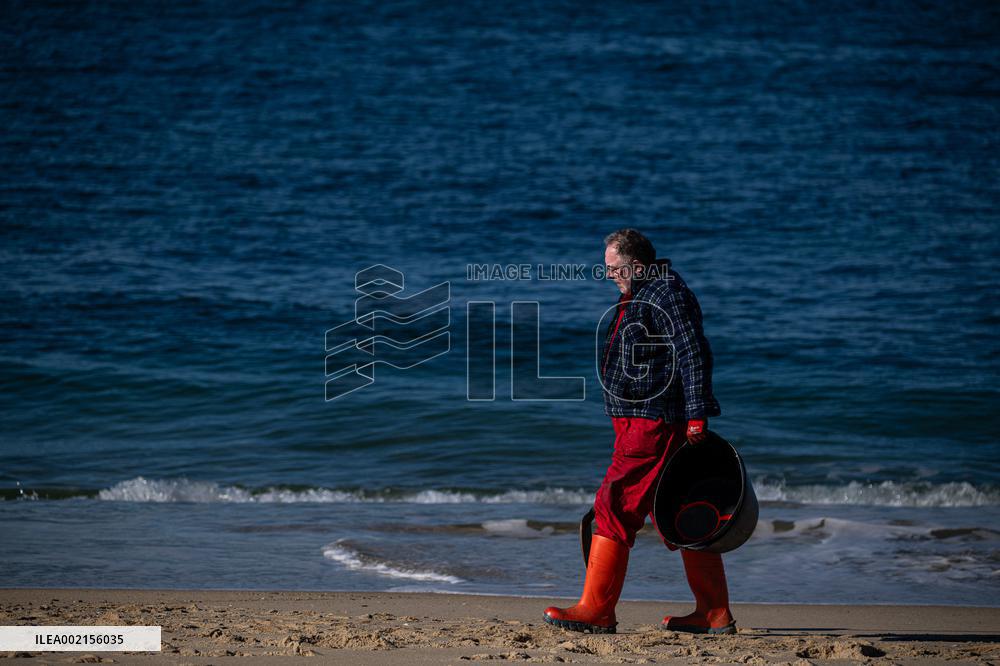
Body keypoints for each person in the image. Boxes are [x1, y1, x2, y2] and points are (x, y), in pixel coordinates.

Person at [543, 228, 736, 635]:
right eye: (607, 268)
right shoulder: (645, 290)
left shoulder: (665, 293)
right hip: (641, 420)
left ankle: (596, 610)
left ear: (639, 265)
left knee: (614, 505)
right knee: (676, 512)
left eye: (615, 268)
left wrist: (697, 413)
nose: (609, 275)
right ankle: (713, 614)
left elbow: (693, 352)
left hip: (652, 422)